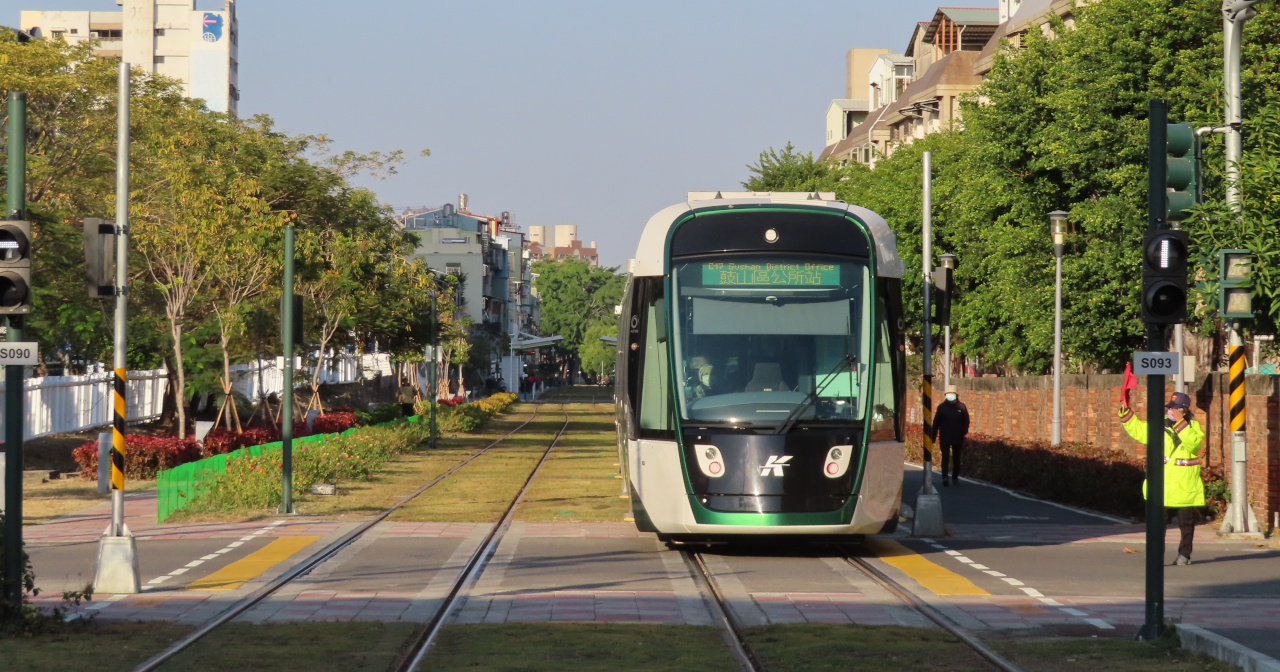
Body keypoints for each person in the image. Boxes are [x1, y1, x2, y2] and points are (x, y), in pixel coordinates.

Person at [1120, 391, 1205, 565]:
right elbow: (1138, 430)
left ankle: (1185, 555)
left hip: (1185, 484)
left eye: (1174, 409)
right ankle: (1156, 555)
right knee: (1157, 525)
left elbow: (1193, 443)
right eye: (1169, 408)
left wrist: (1181, 423)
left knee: (1186, 524)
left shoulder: (1193, 427)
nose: (1170, 411)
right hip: (1162, 484)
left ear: (1184, 410)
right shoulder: (1159, 426)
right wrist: (1126, 413)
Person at [931, 384, 970, 486]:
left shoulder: (962, 407)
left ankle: (955, 476)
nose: (950, 395)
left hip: (958, 436)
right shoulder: (942, 407)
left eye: (952, 394)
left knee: (956, 457)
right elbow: (936, 423)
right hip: (945, 436)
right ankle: (944, 477)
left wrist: (964, 431)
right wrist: (933, 437)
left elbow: (966, 421)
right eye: (948, 394)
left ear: (956, 395)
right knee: (945, 457)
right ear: (946, 395)